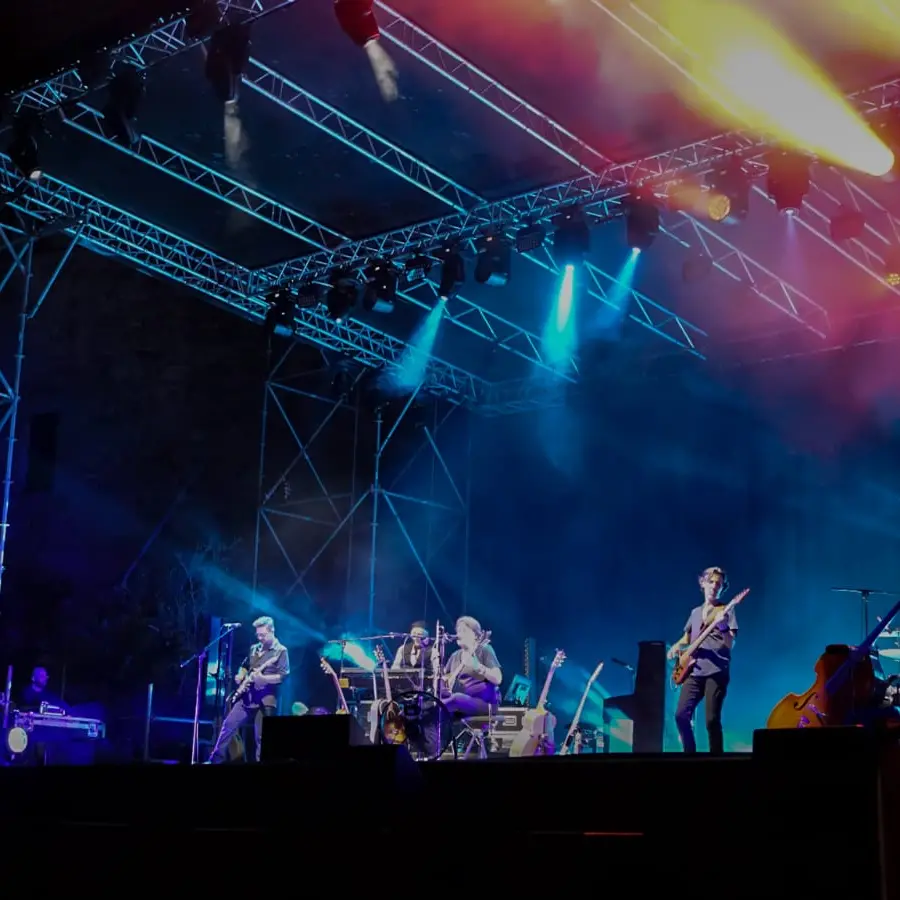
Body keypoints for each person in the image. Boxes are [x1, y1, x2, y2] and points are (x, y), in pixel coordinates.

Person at [668, 567, 737, 755]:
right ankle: (690, 756)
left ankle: (716, 761)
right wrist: (676, 646)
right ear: (703, 583)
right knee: (681, 715)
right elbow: (688, 638)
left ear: (723, 588)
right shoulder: (695, 612)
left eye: (719, 584)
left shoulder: (725, 610)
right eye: (711, 582)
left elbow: (730, 643)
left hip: (716, 672)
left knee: (711, 720)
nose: (714, 586)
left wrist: (723, 626)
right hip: (694, 670)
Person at [207, 616, 290, 763]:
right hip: (247, 696)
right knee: (228, 725)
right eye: (257, 635)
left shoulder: (281, 651)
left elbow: (283, 676)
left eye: (263, 635)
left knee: (261, 737)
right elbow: (245, 666)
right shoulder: (254, 648)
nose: (259, 638)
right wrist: (240, 675)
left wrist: (265, 679)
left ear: (272, 631)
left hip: (266, 700)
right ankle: (215, 759)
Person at [439, 616, 502, 717]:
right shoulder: (455, 655)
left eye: (464, 631)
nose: (459, 634)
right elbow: (445, 678)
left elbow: (498, 679)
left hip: (485, 703)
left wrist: (477, 666)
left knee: (455, 699)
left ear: (476, 636)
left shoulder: (484, 650)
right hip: (461, 701)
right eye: (458, 631)